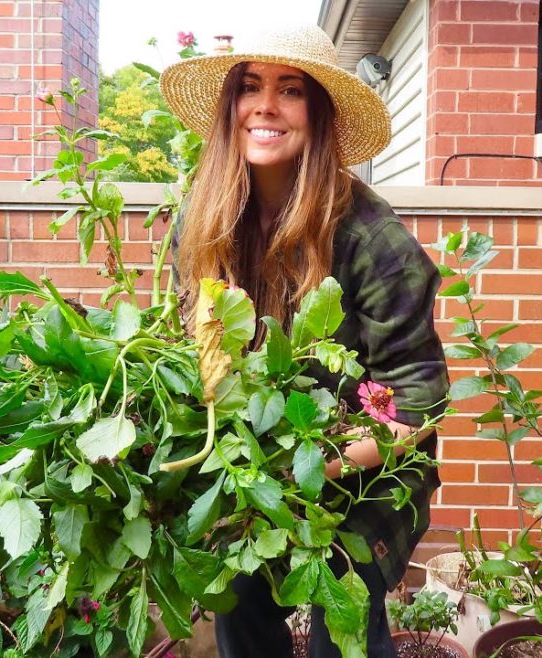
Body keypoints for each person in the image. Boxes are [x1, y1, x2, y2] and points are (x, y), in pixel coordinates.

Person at [159, 24, 450, 658]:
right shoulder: (200, 220)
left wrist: (312, 468)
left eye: (290, 90)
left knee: (341, 636)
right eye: (251, 87)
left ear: (316, 116)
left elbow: (421, 401)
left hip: (367, 473)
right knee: (239, 612)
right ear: (229, 107)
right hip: (252, 468)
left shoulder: (371, 238)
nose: (265, 105)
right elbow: (183, 343)